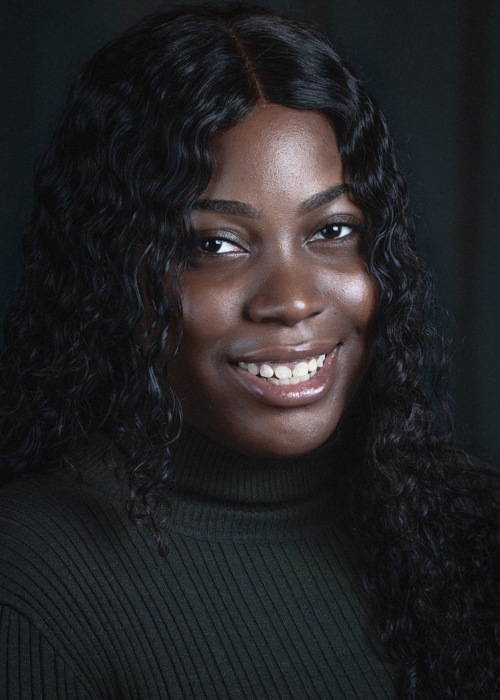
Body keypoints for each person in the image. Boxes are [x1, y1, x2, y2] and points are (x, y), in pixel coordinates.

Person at [0, 3, 499, 699]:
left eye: (331, 230)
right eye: (214, 245)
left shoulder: (473, 522)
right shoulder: (29, 582)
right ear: (110, 270)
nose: (292, 300)